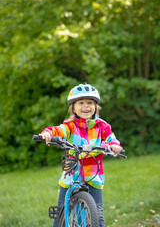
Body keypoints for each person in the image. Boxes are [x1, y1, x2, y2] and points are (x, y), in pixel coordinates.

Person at [39, 83, 123, 227]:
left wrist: (115, 145)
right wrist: (48, 133)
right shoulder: (70, 125)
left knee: (98, 212)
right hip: (72, 172)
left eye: (90, 103)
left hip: (94, 173)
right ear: (73, 107)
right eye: (81, 103)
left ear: (96, 106)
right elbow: (59, 131)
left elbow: (110, 137)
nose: (86, 106)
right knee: (61, 211)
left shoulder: (102, 125)